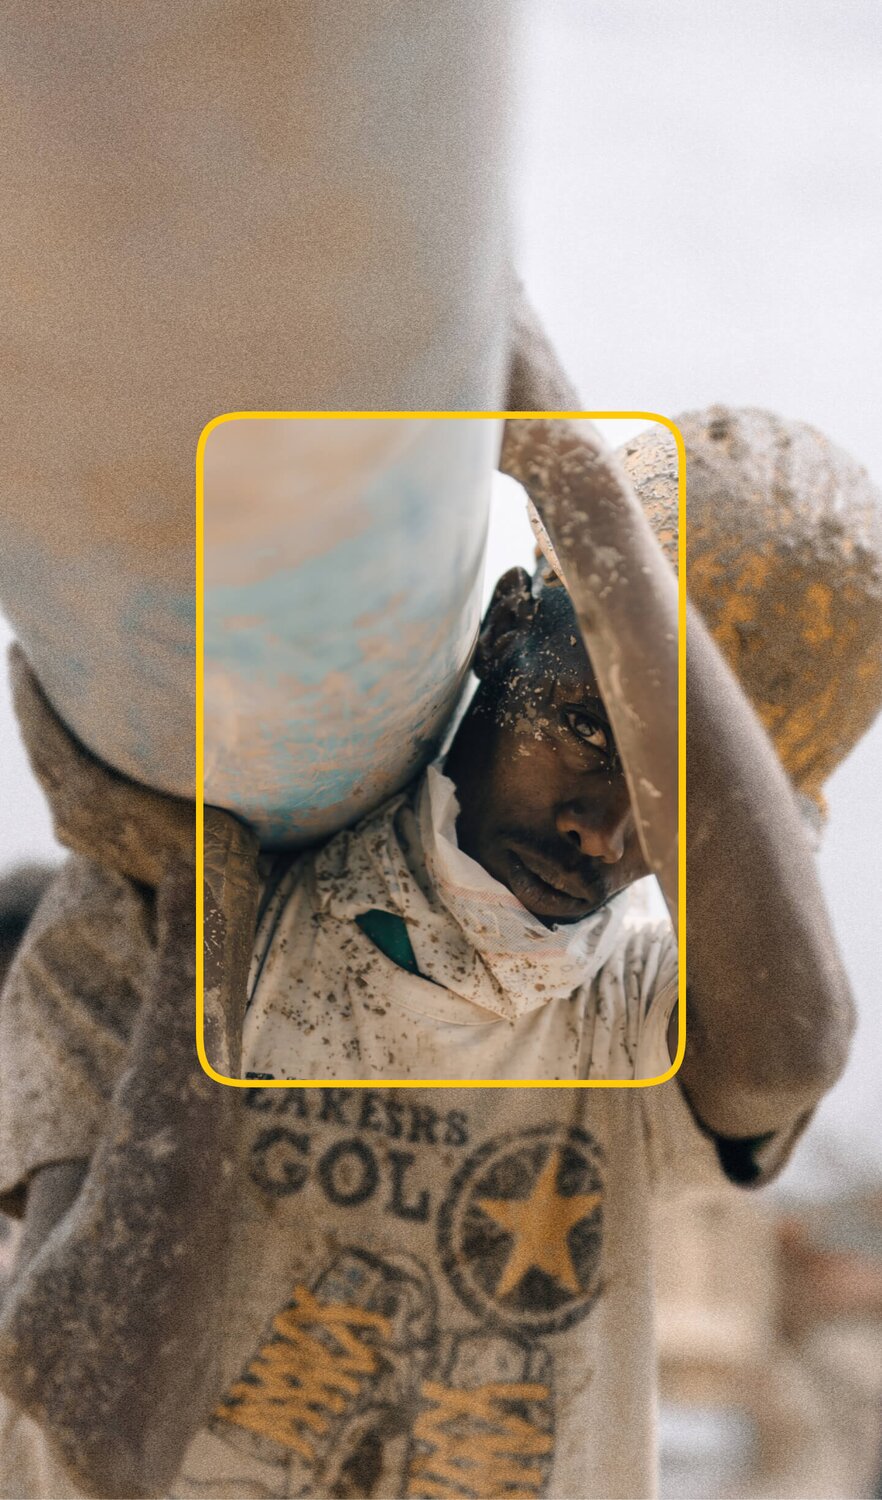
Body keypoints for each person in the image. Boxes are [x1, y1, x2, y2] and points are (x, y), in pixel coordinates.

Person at [0, 326, 874, 1498]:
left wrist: (573, 478)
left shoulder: (620, 1016)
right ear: (507, 622)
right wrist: (202, 952)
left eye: (666, 815)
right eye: (588, 729)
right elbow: (105, 1431)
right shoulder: (156, 918)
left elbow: (796, 1046)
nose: (604, 837)